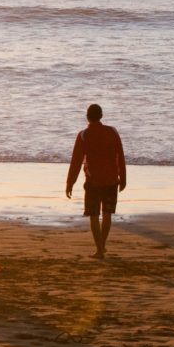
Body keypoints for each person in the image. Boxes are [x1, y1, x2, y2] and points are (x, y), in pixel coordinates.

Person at [66, 103, 127, 259]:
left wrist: (70, 182)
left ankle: (99, 250)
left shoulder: (83, 135)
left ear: (87, 116)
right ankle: (102, 247)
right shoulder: (112, 132)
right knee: (107, 214)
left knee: (94, 215)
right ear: (101, 116)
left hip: (93, 182)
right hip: (112, 180)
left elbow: (76, 161)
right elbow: (120, 155)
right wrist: (123, 178)